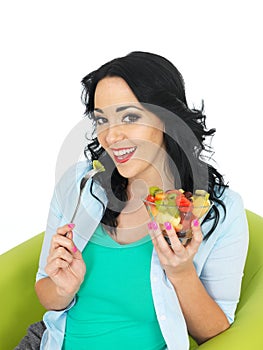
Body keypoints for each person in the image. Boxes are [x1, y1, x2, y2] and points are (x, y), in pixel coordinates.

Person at [16, 51, 249, 350]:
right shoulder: (80, 184)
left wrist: (181, 273)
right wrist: (62, 287)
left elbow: (216, 333)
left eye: (129, 117)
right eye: (102, 120)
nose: (111, 136)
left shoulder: (220, 210)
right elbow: (47, 294)